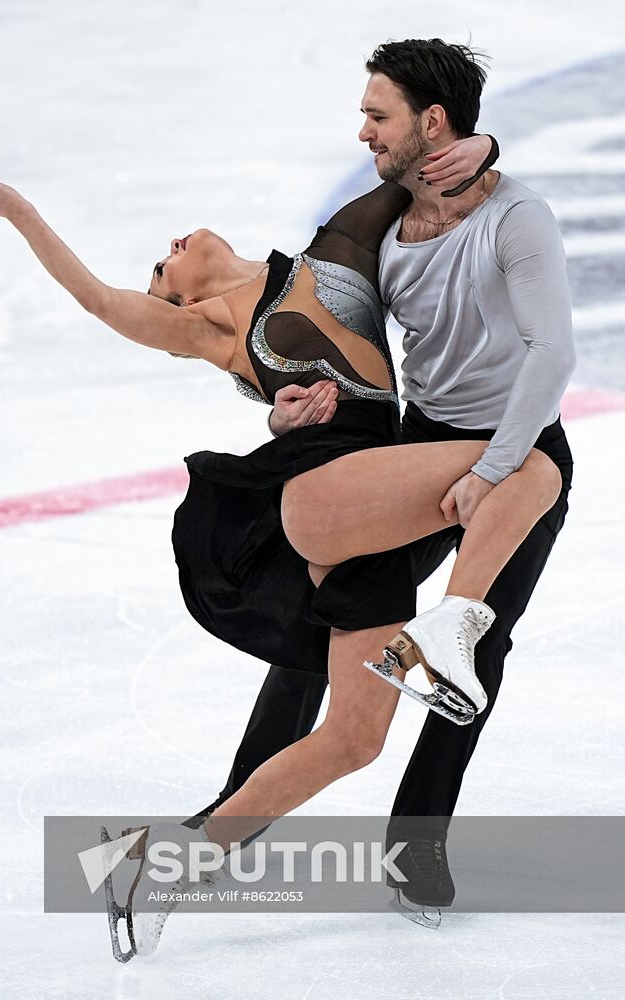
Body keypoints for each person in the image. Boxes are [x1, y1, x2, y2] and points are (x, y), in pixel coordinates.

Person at [0, 80, 565, 954]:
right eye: (161, 271)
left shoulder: (329, 254)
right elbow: (99, 300)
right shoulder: (212, 331)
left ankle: (163, 873)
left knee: (352, 740)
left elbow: (410, 170)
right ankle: (449, 633)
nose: (167, 253)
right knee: (531, 466)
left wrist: (484, 150)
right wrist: (18, 210)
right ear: (180, 303)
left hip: (379, 511)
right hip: (315, 500)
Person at [191, 38, 576, 926]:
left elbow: (551, 352)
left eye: (378, 115)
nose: (362, 131)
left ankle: (414, 852)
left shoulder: (519, 220)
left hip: (517, 447)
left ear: (430, 122)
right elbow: (305, 333)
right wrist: (280, 411)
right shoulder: (376, 224)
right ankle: (231, 818)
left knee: (472, 651)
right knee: (325, 617)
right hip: (416, 445)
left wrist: (491, 467)